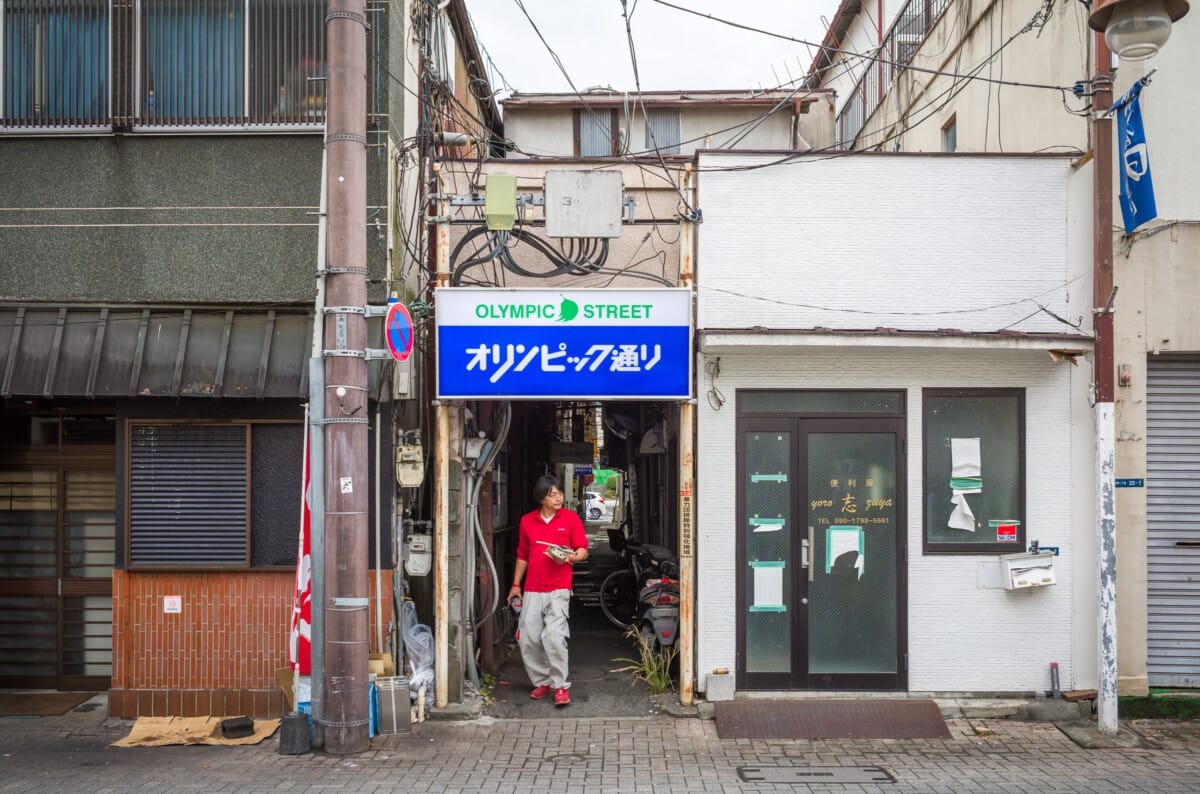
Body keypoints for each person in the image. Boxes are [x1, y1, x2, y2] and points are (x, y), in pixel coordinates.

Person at [507, 475, 588, 706]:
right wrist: (516, 585)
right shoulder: (527, 521)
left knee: (554, 637)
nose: (559, 497)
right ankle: (543, 681)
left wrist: (570, 557)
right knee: (529, 639)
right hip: (533, 587)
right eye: (553, 494)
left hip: (559, 588)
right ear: (541, 498)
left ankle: (560, 686)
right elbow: (522, 555)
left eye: (560, 493)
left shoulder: (570, 519)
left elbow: (583, 550)